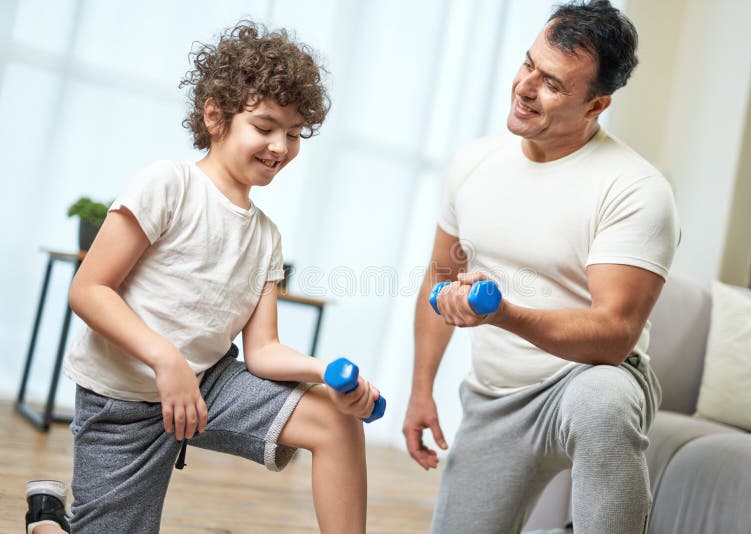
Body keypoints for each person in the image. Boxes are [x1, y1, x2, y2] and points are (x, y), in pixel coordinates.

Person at [25, 21, 381, 534]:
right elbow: (88, 289)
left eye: (295, 133)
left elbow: (263, 351)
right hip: (123, 399)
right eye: (265, 126)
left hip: (209, 382)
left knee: (336, 421)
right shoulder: (168, 184)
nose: (280, 146)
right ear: (216, 115)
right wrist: (165, 358)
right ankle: (47, 522)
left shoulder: (266, 237)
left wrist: (324, 372)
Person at [402, 1, 680, 533]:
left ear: (596, 104)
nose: (525, 87)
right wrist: (421, 390)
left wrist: (504, 313)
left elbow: (613, 336)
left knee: (606, 398)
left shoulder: (635, 190)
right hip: (495, 396)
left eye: (551, 83)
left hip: (583, 380)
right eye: (528, 63)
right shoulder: (475, 163)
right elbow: (440, 275)